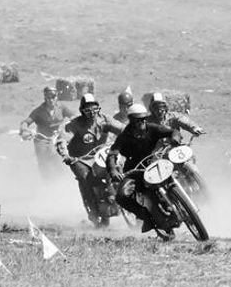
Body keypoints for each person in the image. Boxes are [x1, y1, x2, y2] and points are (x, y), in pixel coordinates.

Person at [107, 103, 180, 233]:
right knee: (121, 197)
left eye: (144, 118)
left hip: (154, 163)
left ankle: (180, 202)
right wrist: (113, 170)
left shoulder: (152, 128)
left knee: (173, 177)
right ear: (132, 120)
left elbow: (172, 131)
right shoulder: (124, 136)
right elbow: (112, 154)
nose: (143, 122)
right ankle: (146, 217)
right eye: (139, 120)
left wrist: (175, 138)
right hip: (135, 170)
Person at [56, 93, 125, 225]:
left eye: (94, 109)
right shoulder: (74, 124)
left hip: (102, 155)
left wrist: (133, 135)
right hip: (80, 159)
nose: (92, 113)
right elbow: (63, 140)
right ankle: (93, 210)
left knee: (119, 167)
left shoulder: (105, 119)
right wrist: (66, 155)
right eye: (88, 110)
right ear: (82, 111)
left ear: (99, 109)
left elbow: (122, 129)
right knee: (86, 178)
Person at [19, 86, 75, 179]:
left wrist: (73, 121)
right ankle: (46, 181)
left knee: (65, 158)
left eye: (53, 97)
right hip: (42, 140)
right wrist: (25, 130)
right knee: (43, 163)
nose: (51, 100)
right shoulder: (38, 111)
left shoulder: (62, 108)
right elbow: (25, 122)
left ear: (57, 97)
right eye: (48, 97)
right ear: (45, 98)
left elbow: (73, 116)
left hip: (58, 137)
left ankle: (65, 179)